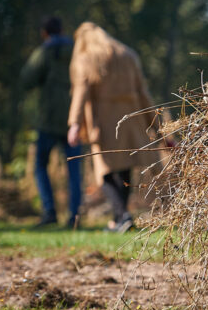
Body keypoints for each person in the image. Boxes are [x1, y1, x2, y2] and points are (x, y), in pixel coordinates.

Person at [67, 23, 165, 233]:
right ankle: (120, 219)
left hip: (105, 121)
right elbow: (143, 93)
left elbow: (80, 91)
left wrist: (74, 124)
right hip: (132, 119)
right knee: (124, 169)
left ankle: (122, 216)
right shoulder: (128, 55)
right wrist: (157, 127)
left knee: (105, 173)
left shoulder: (87, 58)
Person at [20, 16, 83, 228]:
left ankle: (49, 212)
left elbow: (26, 79)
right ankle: (74, 217)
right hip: (73, 121)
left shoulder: (44, 52)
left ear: (44, 33)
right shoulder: (76, 51)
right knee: (74, 170)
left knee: (39, 165)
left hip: (48, 120)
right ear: (63, 30)